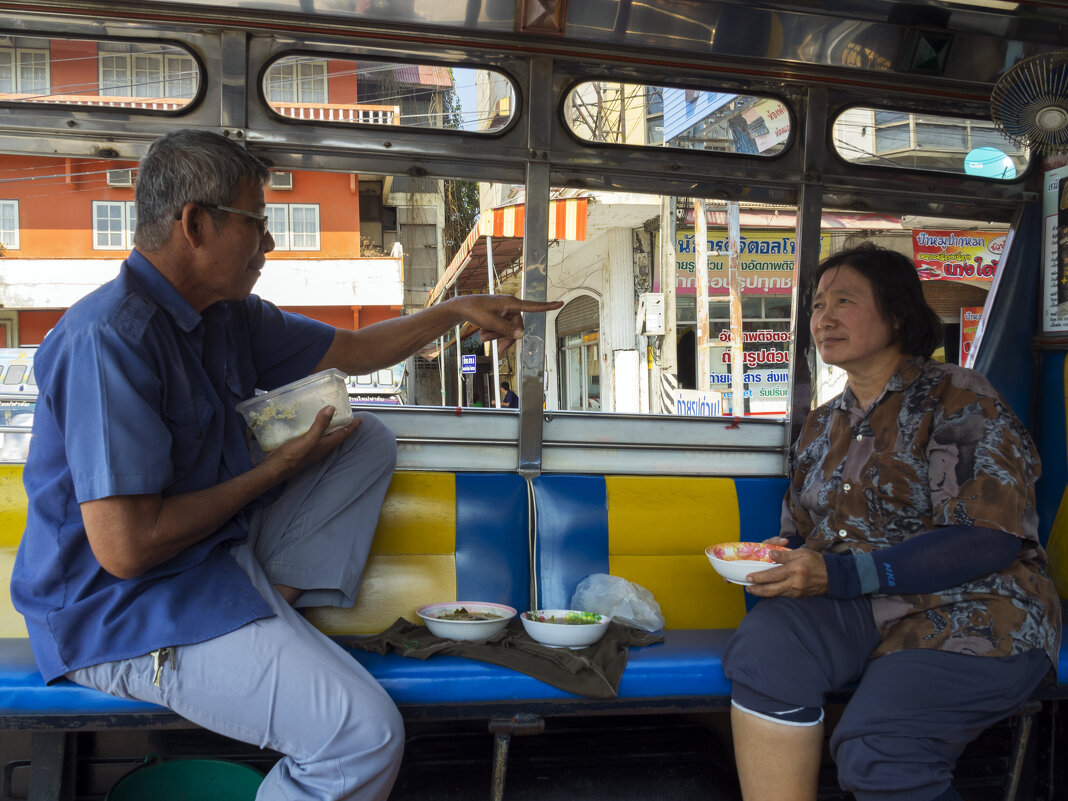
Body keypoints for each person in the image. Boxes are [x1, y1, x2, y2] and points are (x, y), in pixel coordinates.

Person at [10, 129, 561, 801]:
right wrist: (277, 468)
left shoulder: (226, 317)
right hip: (123, 614)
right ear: (196, 224)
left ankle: (266, 608)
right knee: (364, 736)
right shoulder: (110, 340)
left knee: (367, 438)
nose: (268, 243)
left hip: (207, 562)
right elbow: (126, 549)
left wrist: (451, 311)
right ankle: (257, 616)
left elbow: (353, 348)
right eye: (257, 223)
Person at [722, 244, 1060, 801]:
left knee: (879, 743)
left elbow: (987, 539)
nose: (823, 318)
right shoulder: (823, 423)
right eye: (816, 305)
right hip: (853, 606)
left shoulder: (959, 397)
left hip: (973, 606)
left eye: (845, 301)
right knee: (765, 647)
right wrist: (783, 555)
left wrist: (840, 575)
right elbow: (808, 531)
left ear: (897, 314)